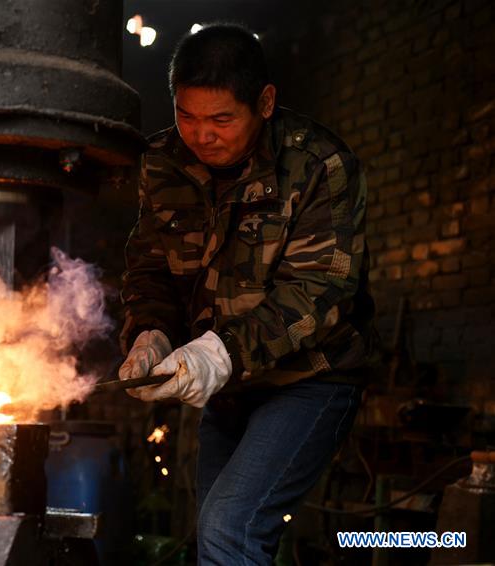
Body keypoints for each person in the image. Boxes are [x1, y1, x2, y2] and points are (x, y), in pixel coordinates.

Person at [118, 23, 377, 564]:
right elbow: (149, 267)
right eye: (186, 116)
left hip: (311, 378)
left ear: (264, 102)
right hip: (231, 387)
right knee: (213, 529)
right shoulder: (161, 163)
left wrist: (220, 352)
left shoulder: (318, 166)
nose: (200, 135)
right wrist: (151, 332)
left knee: (230, 528)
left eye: (220, 119)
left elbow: (320, 292)